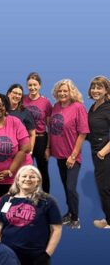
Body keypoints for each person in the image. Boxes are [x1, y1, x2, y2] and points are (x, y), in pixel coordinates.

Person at [48, 79, 89, 228]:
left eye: (65, 90)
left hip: (72, 156)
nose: (62, 93)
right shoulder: (56, 107)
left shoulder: (78, 107)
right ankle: (69, 212)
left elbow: (83, 133)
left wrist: (73, 155)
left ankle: (76, 218)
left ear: (71, 92)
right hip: (59, 155)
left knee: (71, 187)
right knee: (65, 186)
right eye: (60, 91)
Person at [88, 76, 110, 229]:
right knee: (104, 187)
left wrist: (103, 151)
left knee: (104, 188)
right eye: (93, 87)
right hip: (96, 152)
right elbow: (91, 131)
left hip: (105, 153)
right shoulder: (93, 106)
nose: (95, 90)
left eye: (99, 87)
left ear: (106, 90)